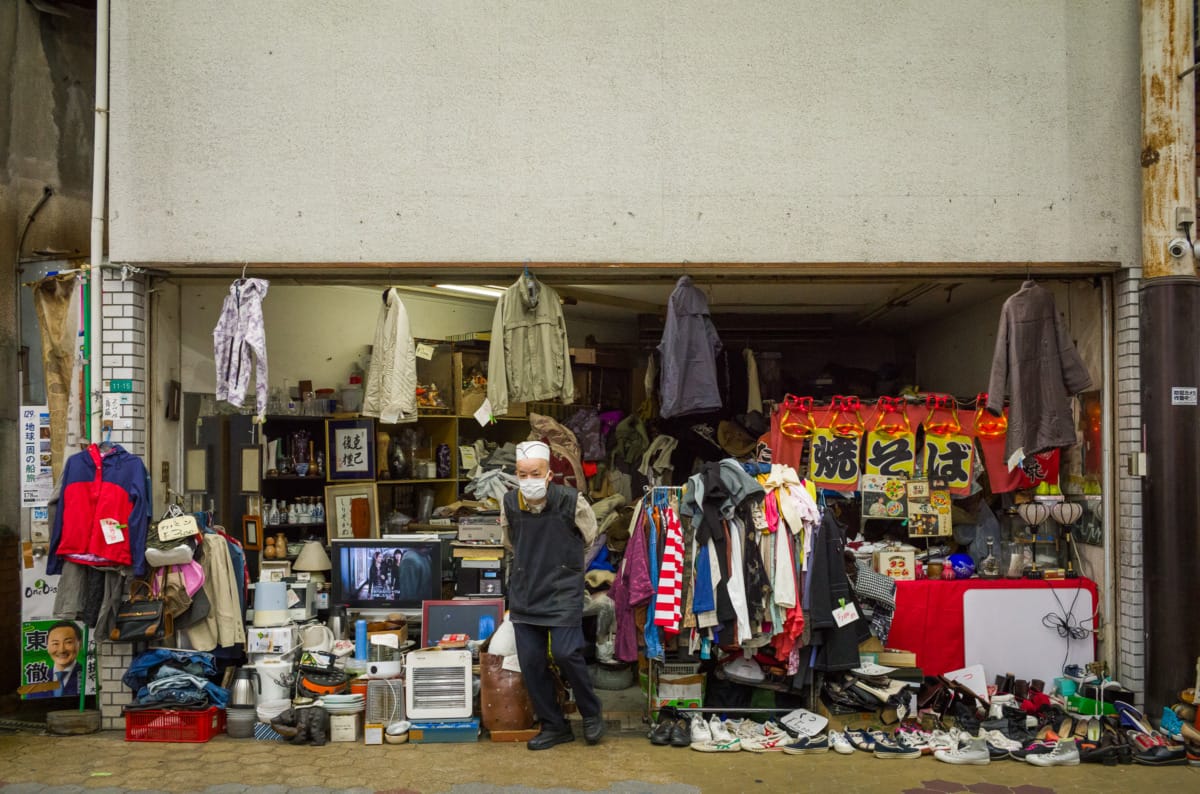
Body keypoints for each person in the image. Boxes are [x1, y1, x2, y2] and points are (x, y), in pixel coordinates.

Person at [503, 440, 603, 750]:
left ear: (549, 474)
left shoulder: (573, 502)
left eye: (535, 473)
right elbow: (510, 543)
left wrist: (565, 565)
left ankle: (591, 712)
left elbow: (589, 538)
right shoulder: (509, 503)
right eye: (522, 474)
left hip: (561, 591)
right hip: (525, 592)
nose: (528, 480)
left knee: (565, 653)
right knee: (531, 661)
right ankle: (554, 725)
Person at [47, 621, 82, 696]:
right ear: (47, 647)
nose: (61, 650)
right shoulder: (38, 679)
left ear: (80, 644)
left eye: (68, 642)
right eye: (55, 643)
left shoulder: (89, 676)